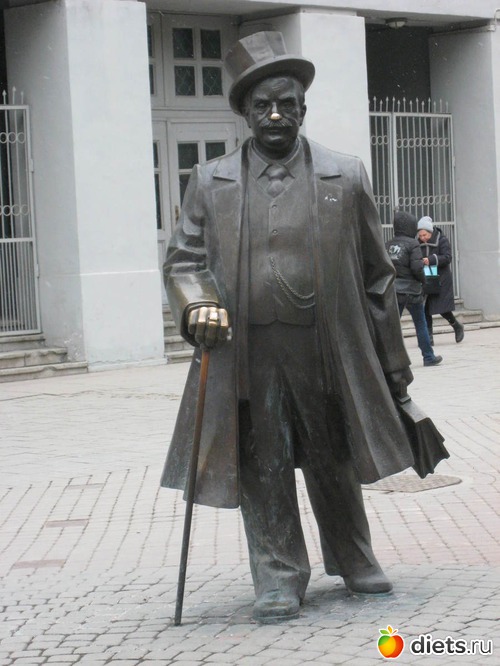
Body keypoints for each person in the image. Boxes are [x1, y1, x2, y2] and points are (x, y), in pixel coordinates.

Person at [161, 31, 418, 624]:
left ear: (303, 107)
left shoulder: (344, 175)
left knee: (333, 453)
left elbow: (378, 278)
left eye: (286, 103)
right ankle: (277, 574)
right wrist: (197, 304)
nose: (275, 115)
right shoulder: (211, 180)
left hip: (324, 345)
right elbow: (184, 262)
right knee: (264, 459)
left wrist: (394, 367)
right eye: (262, 105)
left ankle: (353, 557)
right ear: (245, 112)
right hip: (247, 349)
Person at [385, 211, 443, 367]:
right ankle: (428, 357)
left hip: (394, 291)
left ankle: (390, 360)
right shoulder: (413, 244)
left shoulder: (388, 245)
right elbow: (417, 268)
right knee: (420, 324)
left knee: (392, 326)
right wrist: (423, 282)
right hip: (412, 291)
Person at [417, 216, 464, 344]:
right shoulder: (417, 243)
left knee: (443, 309)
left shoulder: (442, 240)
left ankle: (456, 326)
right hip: (426, 279)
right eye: (420, 235)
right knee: (426, 308)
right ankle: (429, 337)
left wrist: (431, 260)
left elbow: (447, 257)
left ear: (430, 232)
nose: (422, 238)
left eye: (425, 235)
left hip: (441, 279)